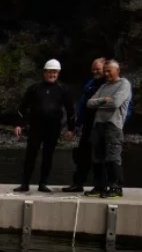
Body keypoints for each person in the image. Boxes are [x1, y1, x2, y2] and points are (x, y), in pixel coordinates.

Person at [13, 59, 76, 193]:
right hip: (36, 127)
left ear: (58, 73)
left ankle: (43, 183)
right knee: (31, 154)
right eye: (50, 72)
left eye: (55, 72)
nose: (52, 75)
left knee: (48, 155)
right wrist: (19, 124)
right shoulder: (34, 88)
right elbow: (22, 107)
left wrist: (71, 129)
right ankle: (25, 183)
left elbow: (70, 110)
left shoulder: (63, 89)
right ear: (45, 72)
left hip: (53, 128)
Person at [86, 59, 132, 198]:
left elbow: (116, 103)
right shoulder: (104, 86)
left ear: (117, 70)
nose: (106, 73)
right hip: (99, 124)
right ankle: (100, 186)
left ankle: (116, 187)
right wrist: (103, 100)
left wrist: (101, 102)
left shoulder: (124, 84)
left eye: (109, 71)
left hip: (113, 125)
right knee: (97, 157)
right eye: (105, 71)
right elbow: (89, 103)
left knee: (113, 156)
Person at [62, 57, 106, 192]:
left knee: (100, 157)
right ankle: (78, 183)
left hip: (103, 125)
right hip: (88, 124)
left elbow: (126, 106)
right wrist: (76, 125)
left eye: (97, 69)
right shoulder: (90, 84)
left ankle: (101, 185)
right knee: (82, 155)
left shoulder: (111, 85)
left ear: (105, 69)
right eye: (93, 69)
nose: (94, 71)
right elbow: (82, 105)